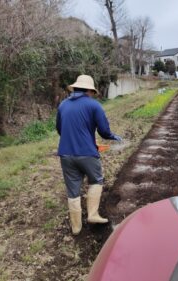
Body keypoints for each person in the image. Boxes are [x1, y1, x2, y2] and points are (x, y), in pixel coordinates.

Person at [56, 75, 122, 235]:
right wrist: (114, 137)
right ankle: (92, 215)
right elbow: (104, 131)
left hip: (65, 154)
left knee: (73, 190)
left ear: (76, 88)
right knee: (96, 180)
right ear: (89, 90)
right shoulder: (94, 105)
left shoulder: (63, 105)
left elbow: (60, 129)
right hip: (87, 154)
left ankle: (76, 227)